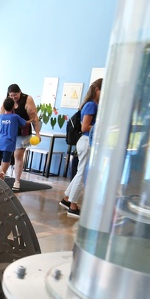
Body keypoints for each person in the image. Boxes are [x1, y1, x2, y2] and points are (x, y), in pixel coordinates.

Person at [60, 78, 103, 219]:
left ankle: (67, 199)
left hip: (85, 142)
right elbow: (85, 127)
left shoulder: (91, 104)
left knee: (80, 172)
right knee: (82, 174)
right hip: (86, 141)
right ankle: (73, 206)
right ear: (97, 90)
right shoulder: (91, 105)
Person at [5, 83, 41, 191]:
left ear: (20, 92)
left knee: (18, 155)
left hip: (24, 132)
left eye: (15, 95)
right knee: (6, 155)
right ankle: (0, 177)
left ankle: (17, 181)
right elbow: (1, 113)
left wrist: (37, 133)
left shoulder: (27, 99)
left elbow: (34, 117)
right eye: (11, 95)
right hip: (10, 132)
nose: (13, 98)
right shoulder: (7, 99)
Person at [0, 97, 22, 179]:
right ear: (13, 106)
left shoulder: (0, 116)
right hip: (8, 142)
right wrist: (31, 120)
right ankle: (0, 178)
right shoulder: (15, 117)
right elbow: (24, 124)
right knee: (6, 160)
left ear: (3, 107)